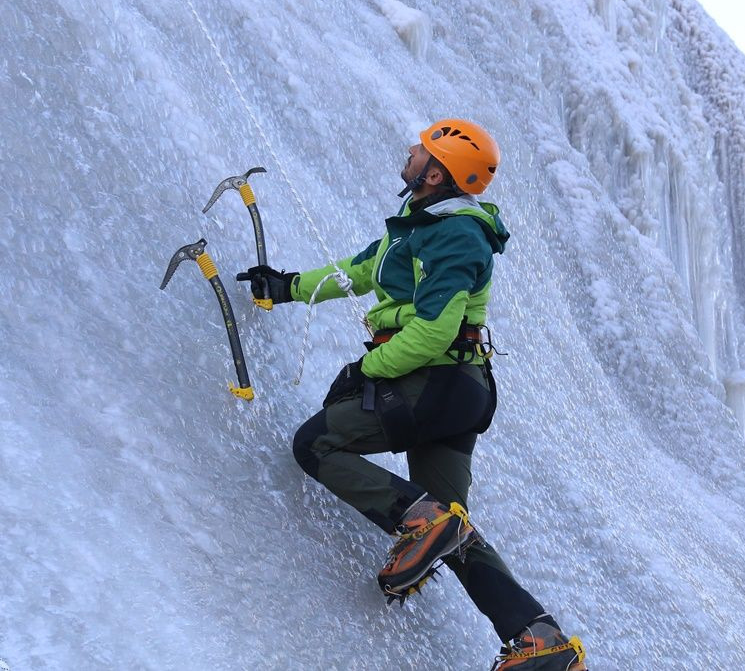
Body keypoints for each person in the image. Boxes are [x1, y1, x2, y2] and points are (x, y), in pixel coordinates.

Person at [237, 119, 587, 670]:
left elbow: (432, 331)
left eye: (422, 150)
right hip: (455, 391)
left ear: (436, 171)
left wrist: (366, 370)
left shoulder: (457, 235)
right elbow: (358, 272)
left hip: (437, 383)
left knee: (317, 444)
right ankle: (540, 638)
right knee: (451, 524)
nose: (409, 153)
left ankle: (417, 523)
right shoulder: (418, 228)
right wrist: (287, 287)